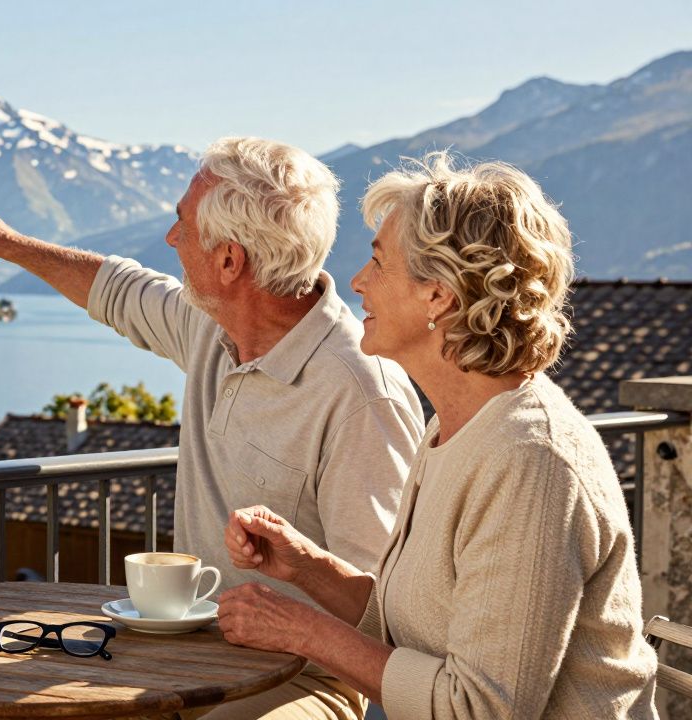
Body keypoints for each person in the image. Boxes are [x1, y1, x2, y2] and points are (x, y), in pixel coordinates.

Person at [0, 137, 424, 717]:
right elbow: (116, 289)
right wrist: (8, 246)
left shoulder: (362, 396)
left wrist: (293, 612)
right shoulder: (211, 329)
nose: (171, 239)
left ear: (228, 260)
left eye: (182, 225)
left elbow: (385, 612)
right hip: (185, 651)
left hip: (304, 679)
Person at [219, 152, 659, 719]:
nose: (356, 282)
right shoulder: (454, 429)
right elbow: (417, 629)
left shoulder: (532, 461)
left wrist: (304, 632)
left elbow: (479, 708)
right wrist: (308, 567)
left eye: (378, 263)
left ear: (439, 295)